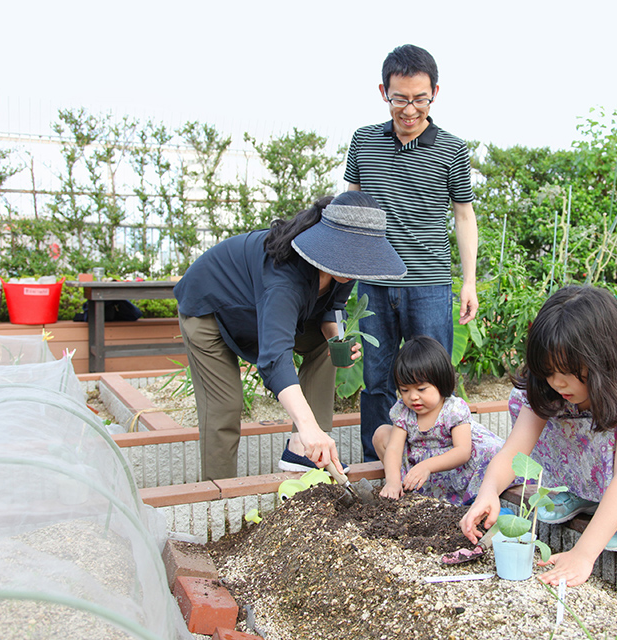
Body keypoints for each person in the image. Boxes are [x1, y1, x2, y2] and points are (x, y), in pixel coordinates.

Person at [460, 286, 617, 587]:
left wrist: (583, 554)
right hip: (608, 467)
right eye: (548, 370)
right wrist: (488, 492)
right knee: (545, 411)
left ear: (603, 359)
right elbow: (514, 452)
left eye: (568, 371)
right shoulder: (547, 385)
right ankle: (587, 494)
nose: (557, 382)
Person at [174, 191, 406, 481]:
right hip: (209, 308)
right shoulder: (285, 275)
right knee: (225, 408)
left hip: (261, 312)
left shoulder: (343, 269)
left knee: (327, 345)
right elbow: (274, 358)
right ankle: (218, 497)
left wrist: (339, 340)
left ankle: (301, 449)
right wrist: (307, 424)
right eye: (350, 253)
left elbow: (332, 307)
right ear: (329, 242)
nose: (356, 263)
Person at [345, 43, 479, 462]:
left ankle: (437, 465)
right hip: (374, 282)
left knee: (434, 380)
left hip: (430, 284)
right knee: (377, 380)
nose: (409, 109)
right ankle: (377, 464)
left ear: (435, 93)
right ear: (383, 91)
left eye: (420, 99)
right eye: (400, 98)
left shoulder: (452, 148)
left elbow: (464, 216)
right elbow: (351, 205)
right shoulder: (363, 142)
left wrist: (469, 282)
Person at [373, 336, 503, 506]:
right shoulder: (404, 411)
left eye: (421, 389)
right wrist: (392, 481)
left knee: (492, 453)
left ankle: (470, 498)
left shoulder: (452, 409)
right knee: (381, 434)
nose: (413, 397)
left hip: (452, 468)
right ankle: (405, 488)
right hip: (418, 465)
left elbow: (463, 451)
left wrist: (428, 465)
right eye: (404, 390)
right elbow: (394, 449)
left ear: (441, 382)